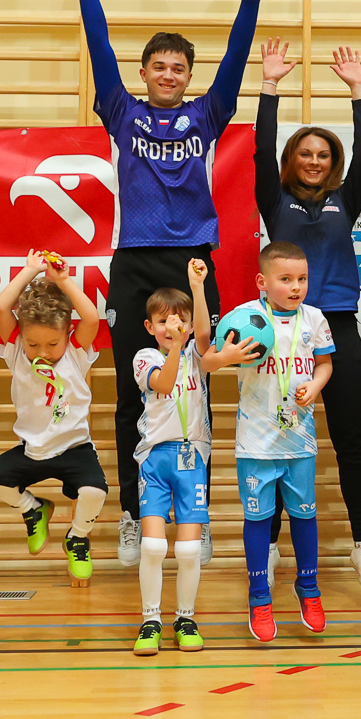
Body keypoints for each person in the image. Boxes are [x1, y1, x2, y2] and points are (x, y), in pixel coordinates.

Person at [66, 0, 262, 568]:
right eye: (160, 65)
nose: (170, 73)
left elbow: (235, 63)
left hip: (192, 263)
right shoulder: (122, 112)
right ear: (145, 72)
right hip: (134, 261)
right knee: (133, 389)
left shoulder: (207, 113)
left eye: (179, 66)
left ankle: (195, 517)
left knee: (196, 387)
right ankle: (131, 513)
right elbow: (98, 46)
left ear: (188, 75)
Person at [255, 39, 361, 589]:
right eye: (304, 153)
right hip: (281, 332)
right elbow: (260, 149)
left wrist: (358, 91)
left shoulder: (343, 201)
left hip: (338, 326)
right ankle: (275, 546)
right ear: (292, 161)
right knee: (278, 440)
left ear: (333, 163)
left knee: (350, 440)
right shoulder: (273, 198)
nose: (313, 160)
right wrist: (269, 86)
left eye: (323, 154)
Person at [129, 266, 257, 655]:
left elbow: (205, 342)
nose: (175, 326)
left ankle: (185, 618)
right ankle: (151, 620)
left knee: (188, 550)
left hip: (192, 458)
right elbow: (164, 384)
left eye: (180, 320)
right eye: (166, 321)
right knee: (152, 547)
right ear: (150, 325)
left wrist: (198, 288)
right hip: (155, 458)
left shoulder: (195, 356)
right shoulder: (145, 356)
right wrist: (174, 349)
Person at [219, 242, 335, 643]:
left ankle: (309, 588)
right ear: (262, 282)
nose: (296, 286)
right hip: (255, 441)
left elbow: (325, 363)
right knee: (258, 519)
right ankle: (259, 597)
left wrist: (315, 387)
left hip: (299, 438)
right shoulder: (245, 319)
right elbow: (217, 354)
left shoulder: (315, 319)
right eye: (285, 279)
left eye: (301, 278)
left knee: (305, 515)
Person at [0, 251, 108, 584]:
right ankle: (33, 509)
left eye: (52, 343)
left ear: (67, 335)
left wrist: (63, 280)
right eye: (33, 343)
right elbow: (0, 308)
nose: (42, 352)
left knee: (96, 491)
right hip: (32, 450)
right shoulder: (16, 354)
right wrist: (29, 270)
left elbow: (92, 318)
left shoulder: (75, 354)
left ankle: (77, 538)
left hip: (74, 449)